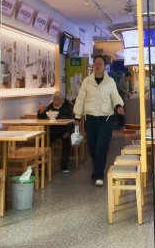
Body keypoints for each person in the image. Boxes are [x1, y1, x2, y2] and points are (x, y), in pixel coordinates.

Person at [73, 55, 125, 186]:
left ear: (104, 66)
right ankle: (97, 170)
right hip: (90, 118)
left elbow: (115, 96)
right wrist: (77, 115)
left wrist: (119, 106)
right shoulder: (87, 81)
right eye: (95, 63)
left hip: (105, 118)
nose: (97, 65)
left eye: (100, 63)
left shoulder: (110, 82)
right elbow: (80, 98)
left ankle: (98, 175)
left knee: (102, 146)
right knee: (92, 146)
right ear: (93, 65)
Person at [37, 91, 74, 173]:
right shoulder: (50, 107)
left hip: (65, 130)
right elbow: (42, 117)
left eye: (58, 100)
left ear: (62, 100)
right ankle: (41, 164)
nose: (56, 102)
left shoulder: (68, 106)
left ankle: (64, 165)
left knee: (67, 141)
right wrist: (41, 111)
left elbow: (72, 119)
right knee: (42, 140)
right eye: (54, 100)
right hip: (52, 130)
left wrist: (69, 131)